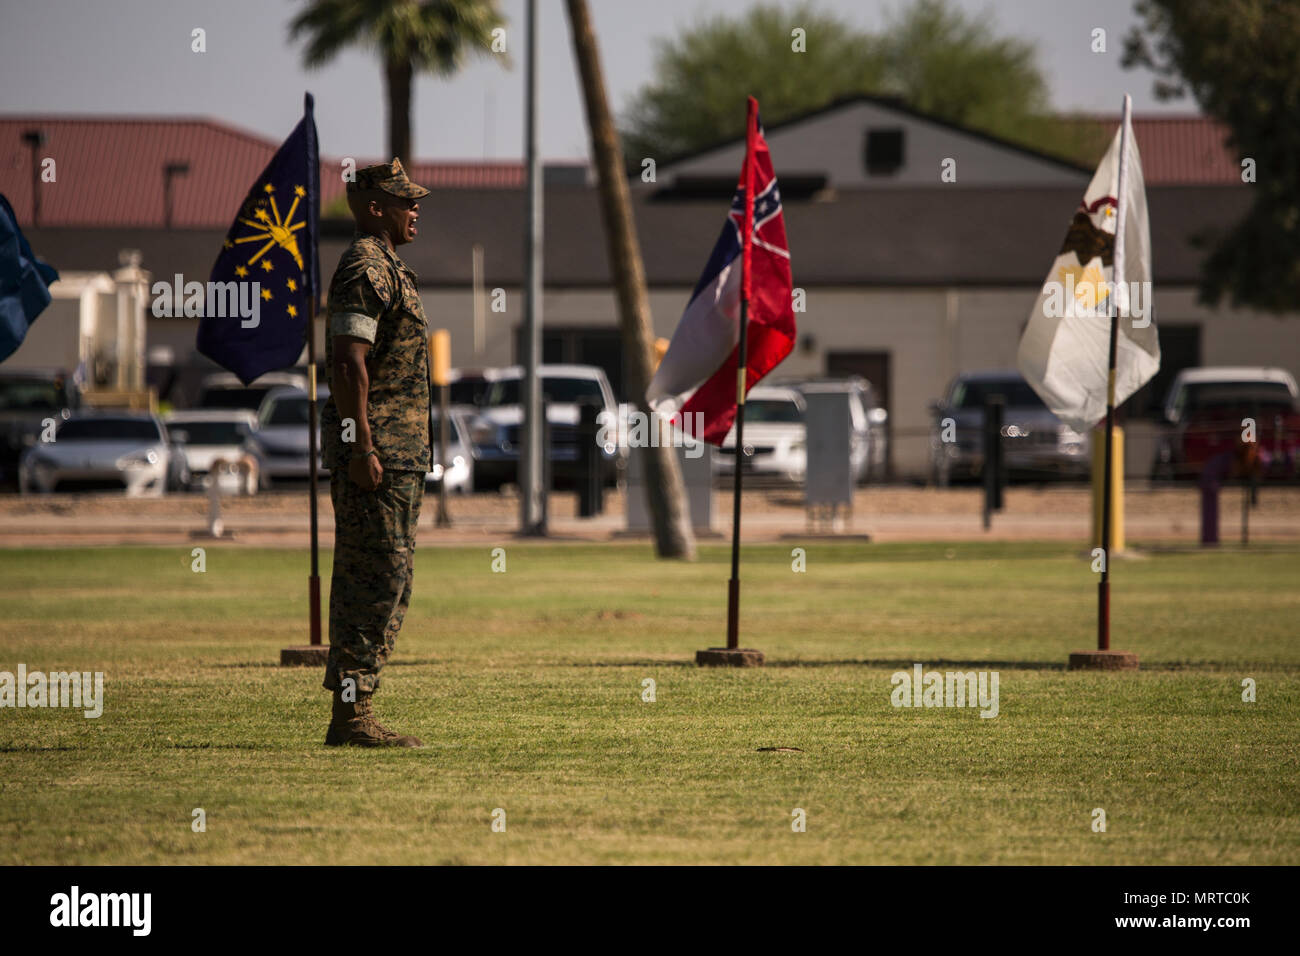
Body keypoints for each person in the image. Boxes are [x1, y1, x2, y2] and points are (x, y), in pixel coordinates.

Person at [319, 159, 431, 747]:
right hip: (376, 455)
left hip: (396, 456)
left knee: (390, 579)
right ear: (372, 206)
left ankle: (355, 708)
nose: (415, 209)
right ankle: (350, 715)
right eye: (404, 200)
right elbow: (347, 360)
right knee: (371, 580)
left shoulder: (391, 268)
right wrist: (360, 444)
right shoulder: (366, 265)